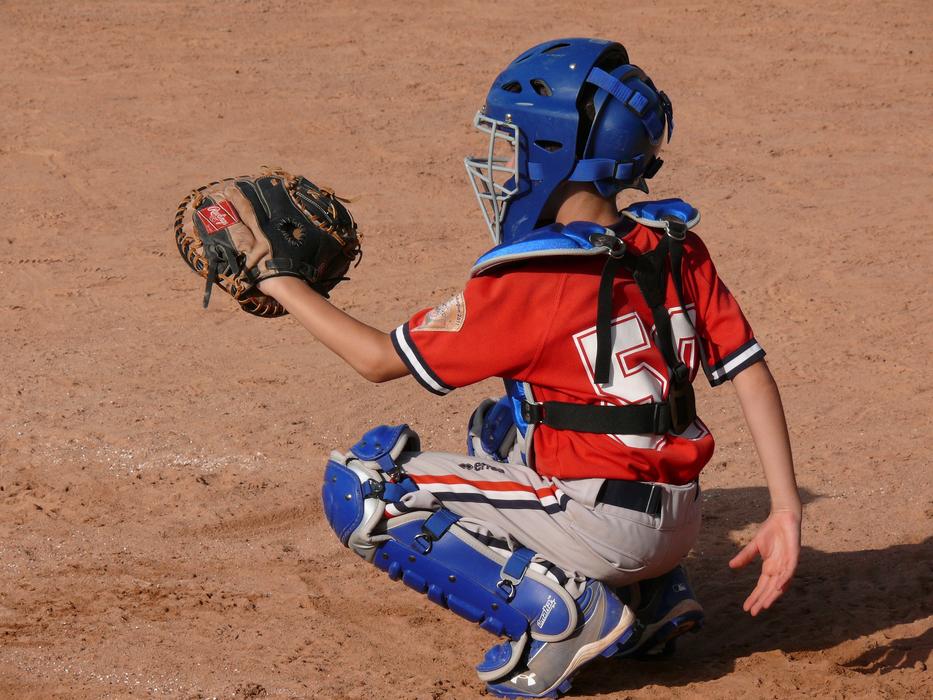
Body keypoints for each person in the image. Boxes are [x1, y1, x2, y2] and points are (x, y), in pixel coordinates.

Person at [258, 38, 801, 699]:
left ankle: (568, 618)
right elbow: (749, 371)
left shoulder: (534, 280)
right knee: (499, 426)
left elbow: (377, 360)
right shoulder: (674, 244)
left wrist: (279, 281)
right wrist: (782, 511)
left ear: (555, 152)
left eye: (515, 144)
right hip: (677, 520)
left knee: (366, 489)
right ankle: (653, 599)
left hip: (603, 525)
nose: (505, 163)